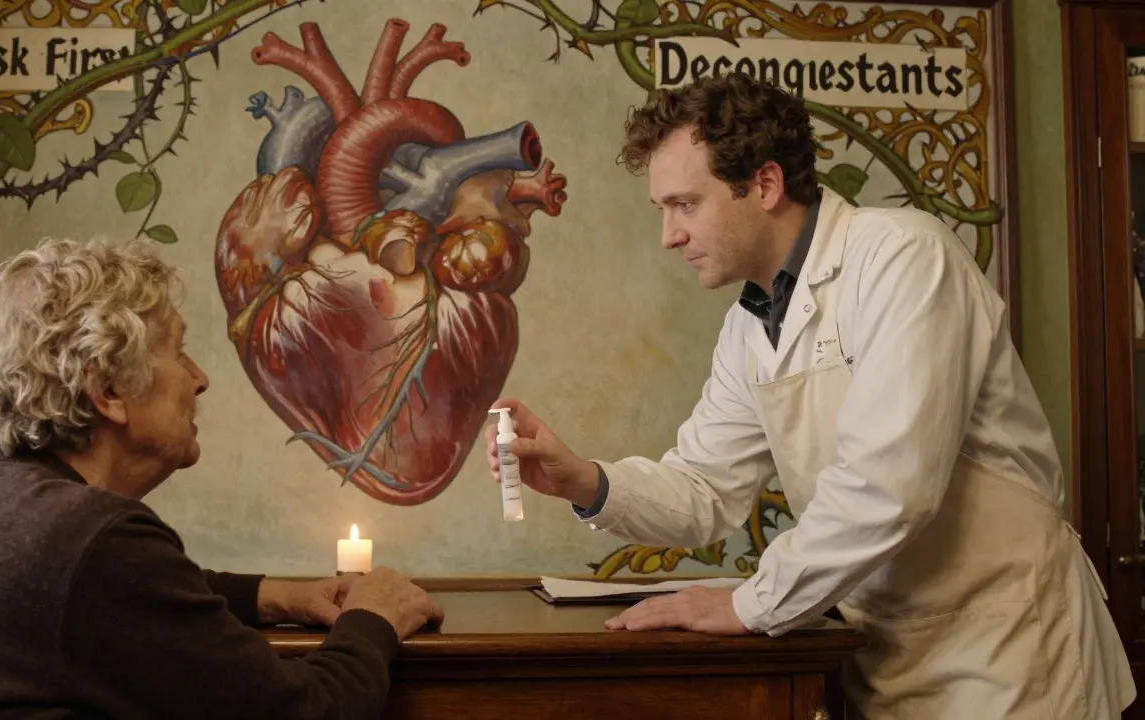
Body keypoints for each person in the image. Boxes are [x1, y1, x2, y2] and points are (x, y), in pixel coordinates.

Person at [485, 72, 1136, 718]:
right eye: (664, 210)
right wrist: (584, 482)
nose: (669, 236)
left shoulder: (904, 259)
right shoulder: (751, 324)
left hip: (1013, 655)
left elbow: (891, 485)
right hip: (887, 659)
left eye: (685, 204)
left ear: (764, 184)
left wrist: (749, 602)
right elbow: (706, 491)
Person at [0, 237, 443, 718]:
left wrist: (273, 596)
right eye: (178, 350)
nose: (199, 380)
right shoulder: (90, 539)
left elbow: (119, 598)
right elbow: (308, 712)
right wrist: (374, 618)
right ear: (109, 390)